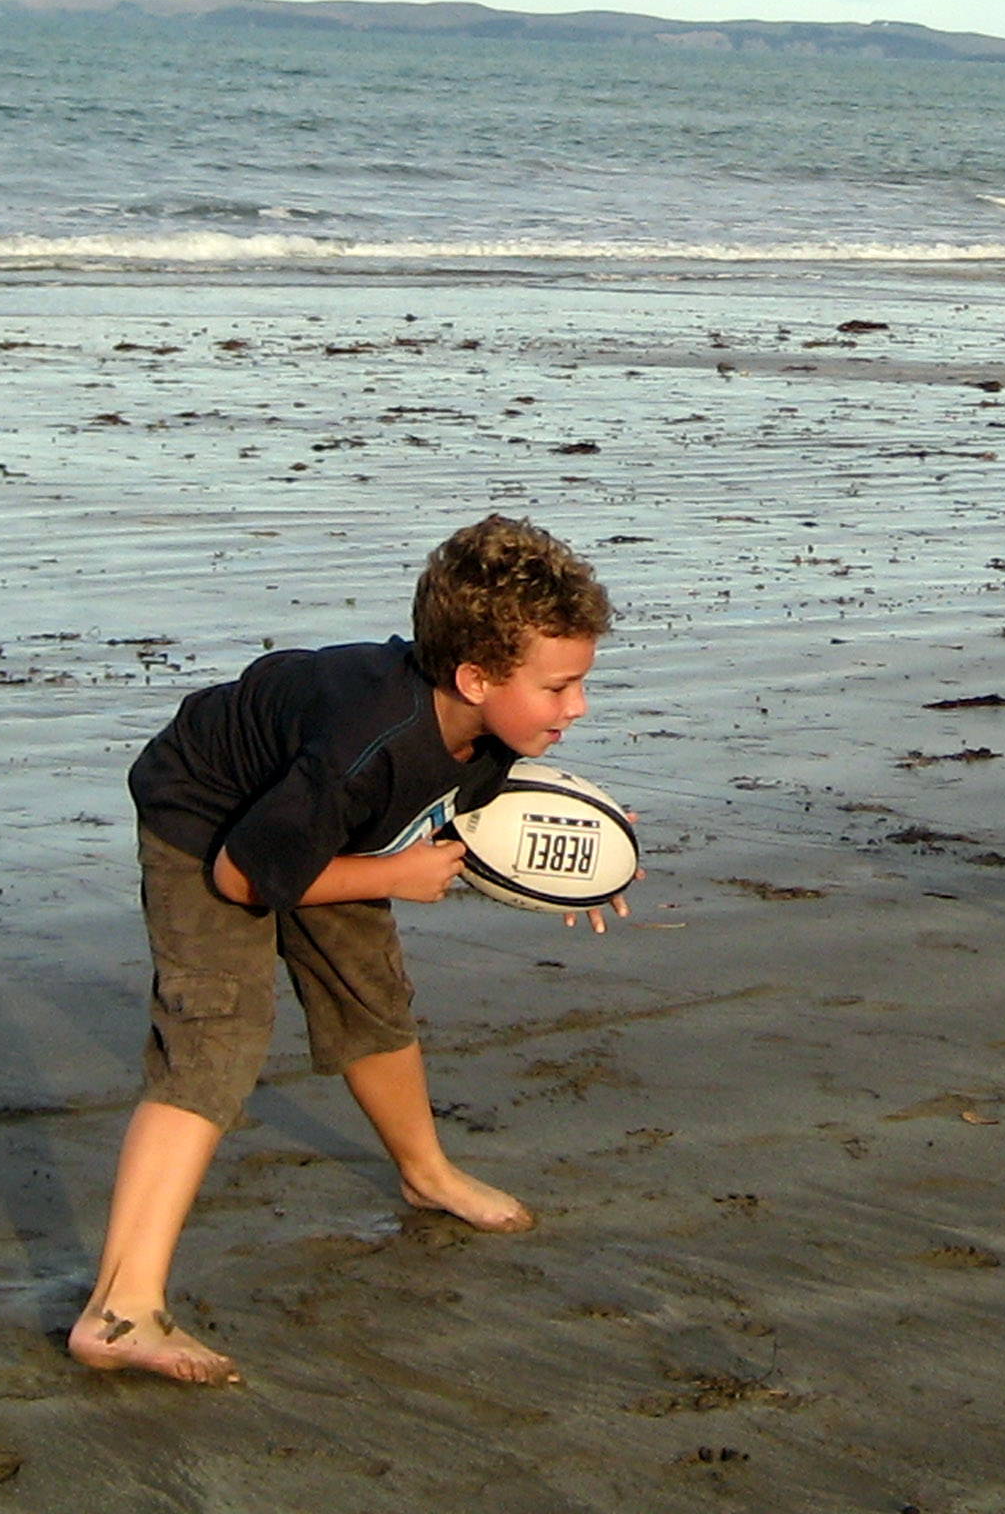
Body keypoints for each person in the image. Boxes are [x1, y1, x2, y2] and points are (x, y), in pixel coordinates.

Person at [68, 514, 621, 1384]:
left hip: (324, 825)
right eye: (559, 687)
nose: (577, 706)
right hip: (210, 817)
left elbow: (491, 820)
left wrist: (586, 869)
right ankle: (119, 1311)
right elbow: (241, 878)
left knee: (369, 989)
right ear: (475, 678)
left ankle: (426, 1173)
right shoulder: (366, 747)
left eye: (581, 681)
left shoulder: (489, 736)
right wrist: (391, 875)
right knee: (216, 1038)